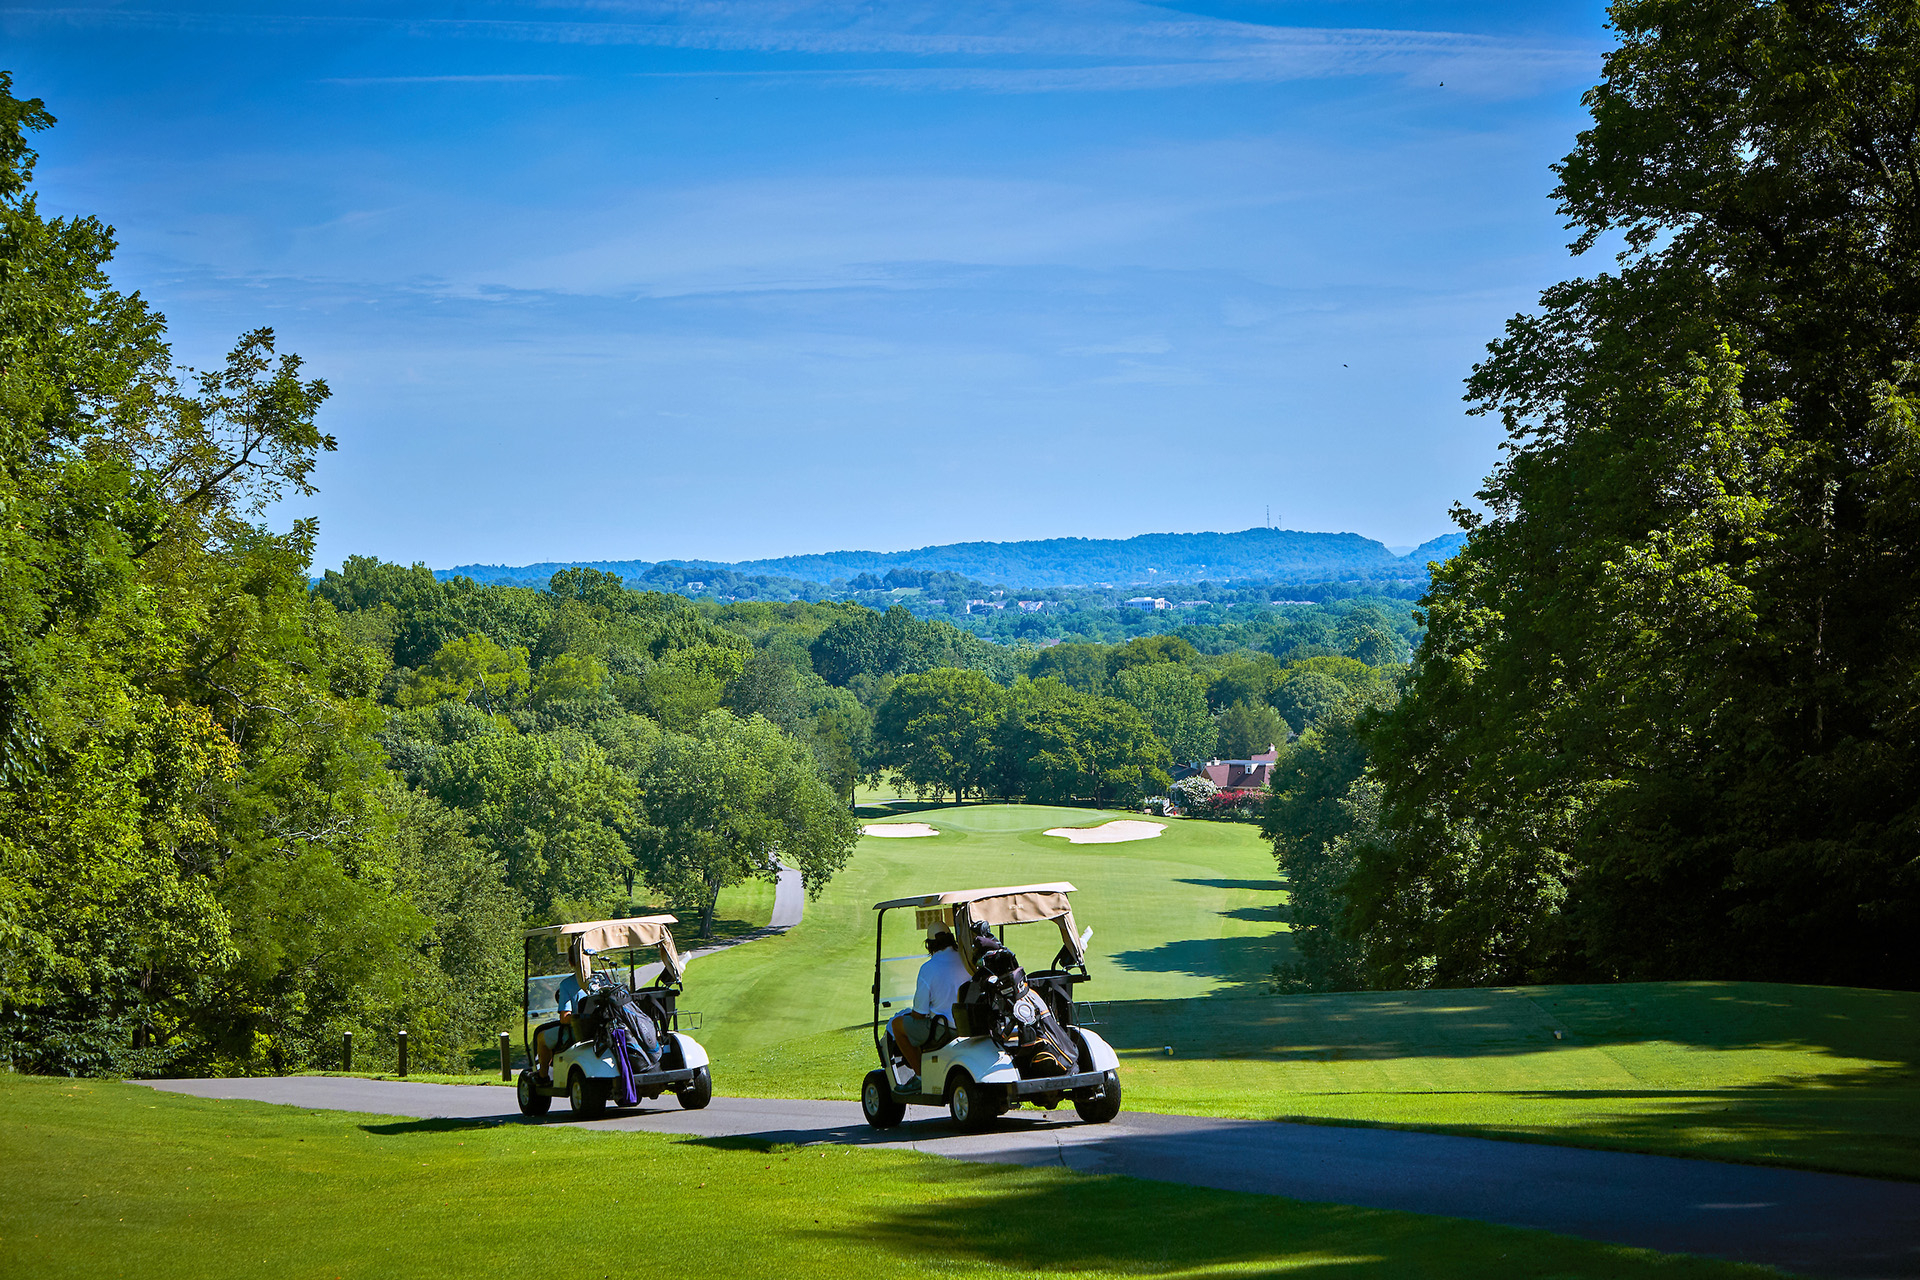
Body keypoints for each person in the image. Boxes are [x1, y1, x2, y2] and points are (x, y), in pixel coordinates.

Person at [889, 928, 969, 1089]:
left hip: (945, 1028)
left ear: (930, 945)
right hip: (968, 1024)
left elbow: (919, 1014)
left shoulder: (929, 968)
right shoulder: (966, 960)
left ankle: (920, 1077)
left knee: (896, 1025)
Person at [536, 941, 590, 1082]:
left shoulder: (566, 985)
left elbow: (564, 1018)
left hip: (578, 1034)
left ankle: (543, 1076)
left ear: (571, 962)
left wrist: (581, 1018)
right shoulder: (602, 979)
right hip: (602, 1032)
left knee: (541, 1037)